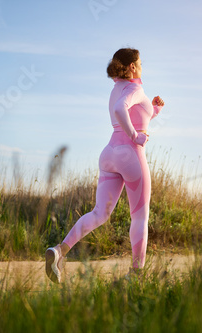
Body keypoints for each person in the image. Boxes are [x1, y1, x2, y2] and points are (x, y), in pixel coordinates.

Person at [45, 48, 165, 283]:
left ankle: (59, 251)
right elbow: (123, 110)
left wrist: (155, 109)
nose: (142, 66)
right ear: (132, 66)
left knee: (99, 213)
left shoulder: (116, 88)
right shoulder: (134, 88)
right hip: (130, 154)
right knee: (140, 217)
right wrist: (134, 136)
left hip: (110, 153)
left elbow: (128, 112)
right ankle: (136, 275)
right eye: (140, 63)